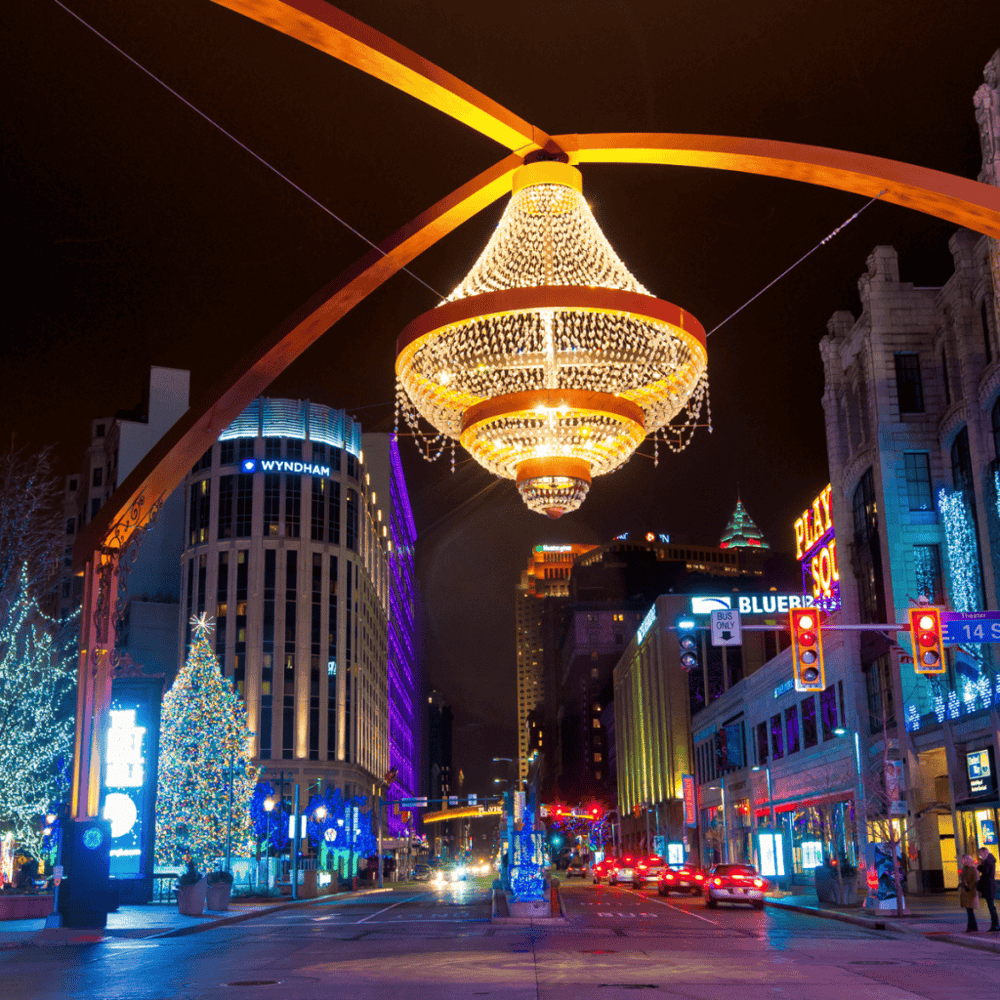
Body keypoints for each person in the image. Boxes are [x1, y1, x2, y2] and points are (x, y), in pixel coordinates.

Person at [977, 847, 999, 933]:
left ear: (985, 852)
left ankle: (995, 924)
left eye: (981, 854)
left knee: (991, 906)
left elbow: (985, 871)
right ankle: (995, 924)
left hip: (989, 886)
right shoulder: (990, 860)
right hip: (989, 886)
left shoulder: (988, 861)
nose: (980, 856)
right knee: (991, 906)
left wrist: (979, 866)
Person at [960, 854, 979, 933]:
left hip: (971, 892)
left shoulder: (973, 868)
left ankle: (972, 926)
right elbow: (962, 877)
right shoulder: (965, 868)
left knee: (970, 910)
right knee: (969, 910)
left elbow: (975, 880)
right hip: (965, 891)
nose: (962, 861)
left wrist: (969, 888)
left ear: (967, 860)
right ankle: (972, 926)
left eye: (963, 859)